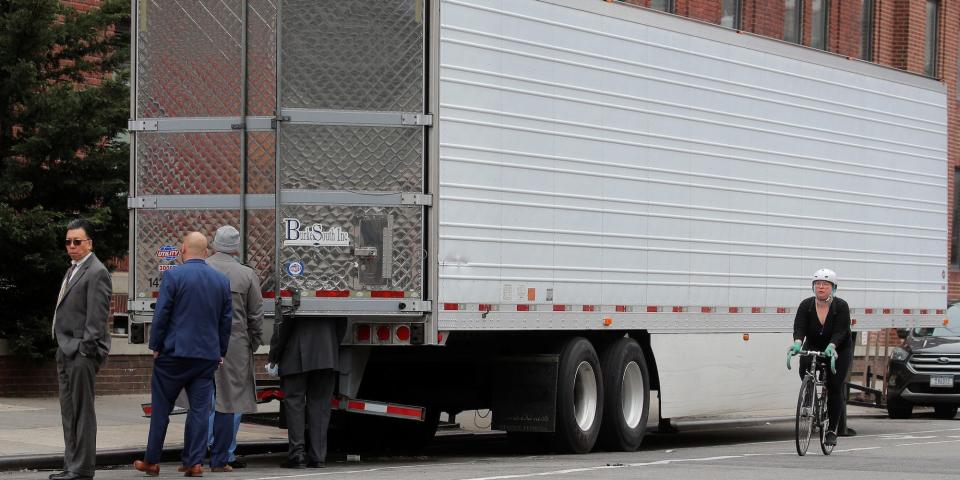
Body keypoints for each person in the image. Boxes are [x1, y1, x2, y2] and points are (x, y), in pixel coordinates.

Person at [134, 232, 231, 477]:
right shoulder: (221, 280)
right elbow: (225, 320)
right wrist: (220, 351)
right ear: (206, 252)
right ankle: (194, 462)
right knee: (199, 411)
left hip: (174, 355)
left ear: (183, 250)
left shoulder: (173, 276)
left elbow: (162, 313)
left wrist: (155, 345)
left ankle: (152, 461)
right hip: (206, 357)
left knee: (161, 408)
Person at [49, 218, 113, 480]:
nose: (71, 246)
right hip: (65, 349)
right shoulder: (73, 269)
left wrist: (85, 349)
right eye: (68, 241)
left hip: (80, 352)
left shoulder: (97, 271)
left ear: (89, 243)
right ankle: (71, 465)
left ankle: (82, 469)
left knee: (82, 412)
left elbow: (97, 319)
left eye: (77, 241)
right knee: (69, 411)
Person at [206, 226, 264, 472]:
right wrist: (254, 341)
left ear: (214, 244)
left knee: (204, 398)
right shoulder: (246, 274)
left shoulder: (202, 269)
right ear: (236, 247)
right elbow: (256, 315)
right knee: (233, 398)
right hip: (235, 342)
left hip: (202, 341)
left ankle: (202, 447)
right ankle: (225, 452)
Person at [788, 268, 853, 447]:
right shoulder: (806, 305)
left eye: (825, 284)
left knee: (834, 385)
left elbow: (841, 330)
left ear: (833, 287)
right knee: (804, 367)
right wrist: (797, 343)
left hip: (838, 346)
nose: (821, 287)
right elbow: (799, 326)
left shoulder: (841, 306)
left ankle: (832, 429)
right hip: (814, 344)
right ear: (813, 287)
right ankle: (810, 396)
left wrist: (832, 346)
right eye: (818, 284)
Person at [267, 312, 340, 468]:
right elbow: (342, 323)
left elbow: (283, 327)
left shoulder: (294, 290)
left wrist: (274, 356)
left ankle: (297, 455)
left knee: (294, 404)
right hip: (327, 354)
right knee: (321, 406)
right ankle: (318, 456)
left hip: (295, 355)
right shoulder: (336, 292)